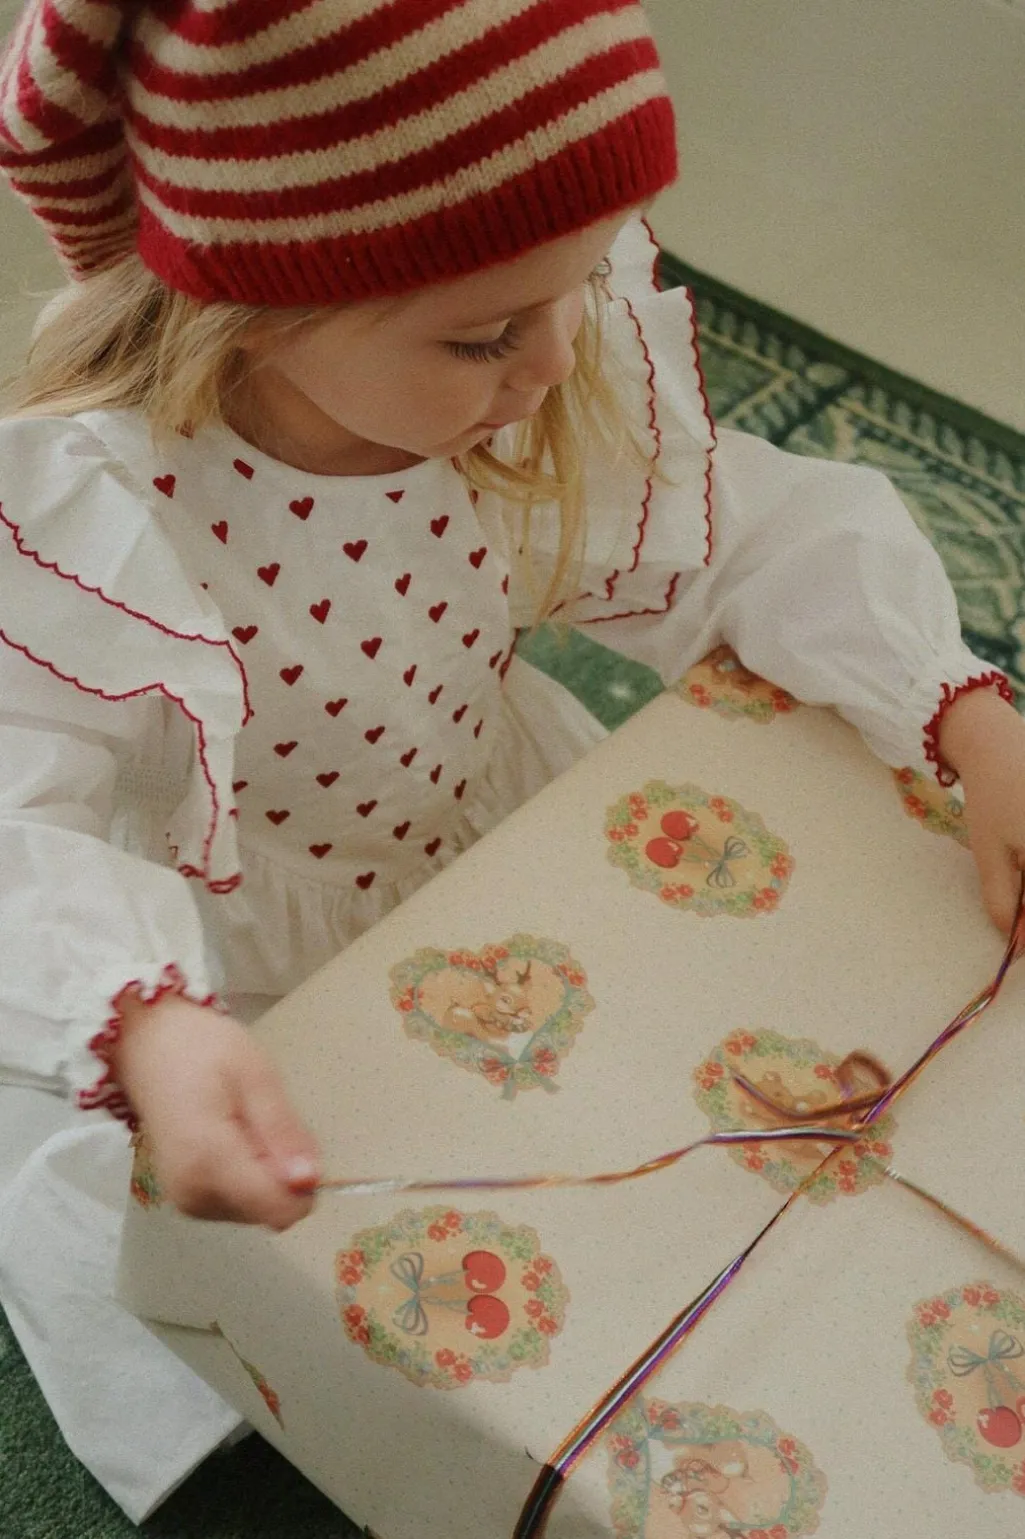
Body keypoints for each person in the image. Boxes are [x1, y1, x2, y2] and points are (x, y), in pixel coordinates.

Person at [0, 0, 1023, 1522]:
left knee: (681, 1148)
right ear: (256, 308)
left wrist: (964, 715)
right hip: (230, 961)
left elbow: (750, 537)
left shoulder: (520, 391)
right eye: (485, 334)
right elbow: (20, 810)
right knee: (168, 1242)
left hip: (488, 828)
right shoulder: (104, 524)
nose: (553, 362)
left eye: (580, 287)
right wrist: (144, 1024)